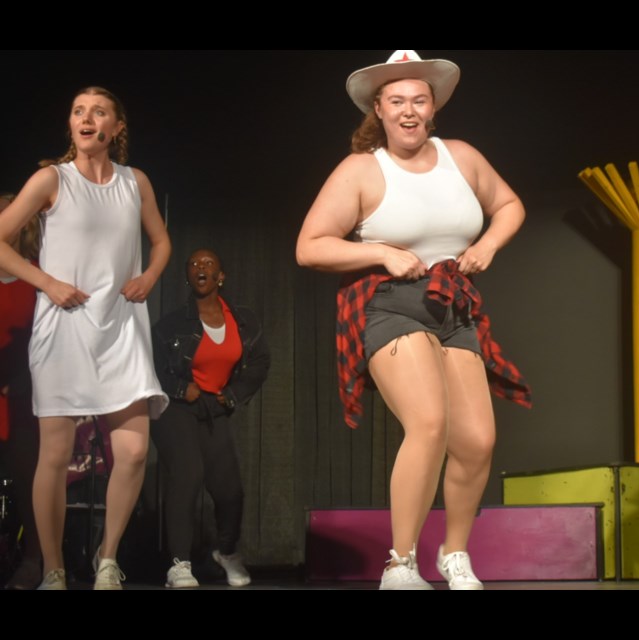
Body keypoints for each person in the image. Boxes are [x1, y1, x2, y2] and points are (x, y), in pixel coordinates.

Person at [296, 50, 530, 590]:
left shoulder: (461, 157)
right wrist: (379, 253)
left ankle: (455, 555)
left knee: (476, 440)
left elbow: (510, 204)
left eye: (418, 100)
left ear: (433, 109)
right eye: (396, 101)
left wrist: (489, 244)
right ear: (378, 109)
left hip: (453, 304)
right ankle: (400, 564)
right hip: (389, 301)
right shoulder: (362, 169)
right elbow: (310, 247)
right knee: (428, 423)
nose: (408, 110)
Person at [0, 87, 171, 590]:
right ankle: (52, 566)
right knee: (53, 455)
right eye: (78, 111)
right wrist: (47, 282)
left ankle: (107, 558)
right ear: (71, 124)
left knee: (135, 450)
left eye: (98, 111)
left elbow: (160, 241)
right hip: (65, 328)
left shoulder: (134, 181)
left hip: (120, 324)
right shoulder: (52, 179)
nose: (86, 118)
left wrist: (149, 276)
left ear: (116, 127)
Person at [151, 248, 269, 588]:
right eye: (193, 264)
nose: (200, 267)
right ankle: (179, 564)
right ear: (188, 276)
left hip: (214, 409)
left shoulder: (243, 321)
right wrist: (178, 387)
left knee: (230, 491)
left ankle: (227, 552)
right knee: (189, 474)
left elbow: (260, 362)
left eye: (208, 264)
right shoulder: (170, 325)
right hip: (175, 409)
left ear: (221, 276)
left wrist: (231, 395)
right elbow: (152, 367)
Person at [0, 194, 43, 590]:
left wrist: (24, 379)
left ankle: (35, 559)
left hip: (24, 392)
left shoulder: (37, 275)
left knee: (28, 474)